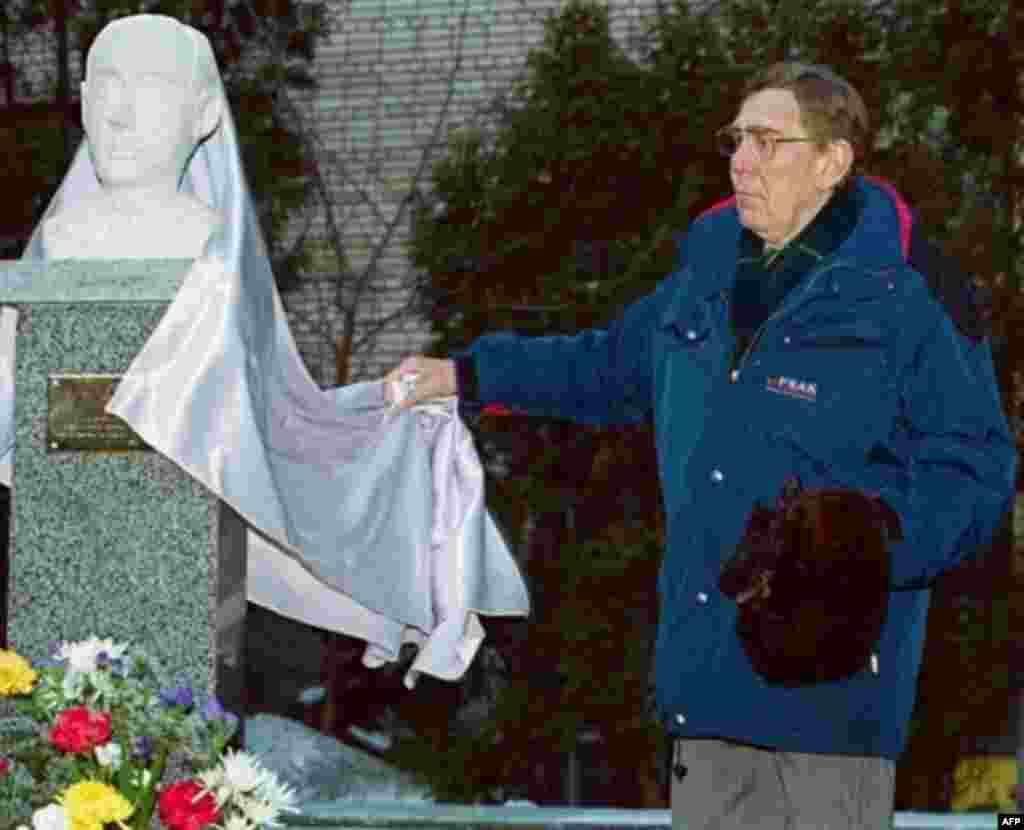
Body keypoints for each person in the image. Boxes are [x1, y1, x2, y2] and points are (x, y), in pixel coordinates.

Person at [387, 63, 1018, 827]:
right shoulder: (707, 272)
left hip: (831, 703)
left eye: (767, 141)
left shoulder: (912, 291)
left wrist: (875, 542)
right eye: (735, 140)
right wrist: (467, 374)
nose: (741, 161)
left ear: (832, 162)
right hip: (706, 685)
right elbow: (607, 365)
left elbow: (977, 470)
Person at [13, 13, 527, 687]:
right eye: (105, 83)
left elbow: (273, 429)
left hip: (183, 608)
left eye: (152, 85)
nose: (122, 110)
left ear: (202, 114)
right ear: (81, 100)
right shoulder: (60, 247)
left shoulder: (211, 262)